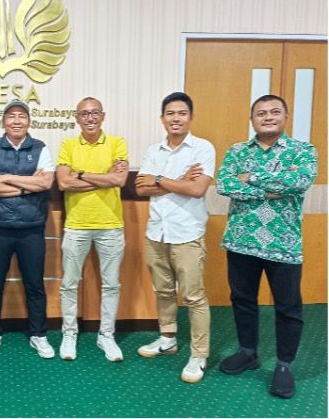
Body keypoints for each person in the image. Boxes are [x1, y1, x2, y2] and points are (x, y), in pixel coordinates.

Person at [216, 94, 317, 398]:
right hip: (241, 240)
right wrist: (269, 189)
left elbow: (299, 182)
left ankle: (284, 365)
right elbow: (224, 183)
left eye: (274, 112)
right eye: (261, 113)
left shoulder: (303, 151)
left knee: (288, 307)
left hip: (283, 244)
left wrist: (251, 178)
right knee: (242, 299)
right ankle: (248, 352)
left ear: (285, 117)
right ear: (252, 119)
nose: (268, 117)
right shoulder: (237, 151)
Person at [135, 92, 214, 383]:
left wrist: (158, 179)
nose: (175, 118)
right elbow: (140, 189)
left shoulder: (202, 148)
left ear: (191, 117)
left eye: (181, 113)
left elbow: (197, 190)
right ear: (162, 118)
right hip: (157, 231)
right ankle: (167, 339)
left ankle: (199, 354)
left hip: (187, 233)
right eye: (170, 113)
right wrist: (179, 180)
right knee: (163, 291)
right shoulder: (153, 151)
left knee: (193, 296)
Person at [0, 99, 56, 359]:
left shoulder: (41, 148)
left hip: (32, 228)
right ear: (3, 122)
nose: (17, 121)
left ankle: (38, 334)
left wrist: (7, 178)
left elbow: (45, 184)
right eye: (11, 116)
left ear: (29, 121)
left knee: (35, 285)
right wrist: (27, 185)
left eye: (22, 116)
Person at [56, 96, 128, 362]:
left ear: (103, 116)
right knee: (69, 283)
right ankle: (69, 333)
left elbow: (119, 179)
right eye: (84, 114)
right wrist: (103, 178)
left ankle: (106, 335)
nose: (90, 118)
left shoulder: (117, 143)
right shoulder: (68, 145)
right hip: (76, 225)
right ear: (77, 118)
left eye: (95, 113)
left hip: (110, 225)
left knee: (111, 285)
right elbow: (63, 183)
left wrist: (80, 174)